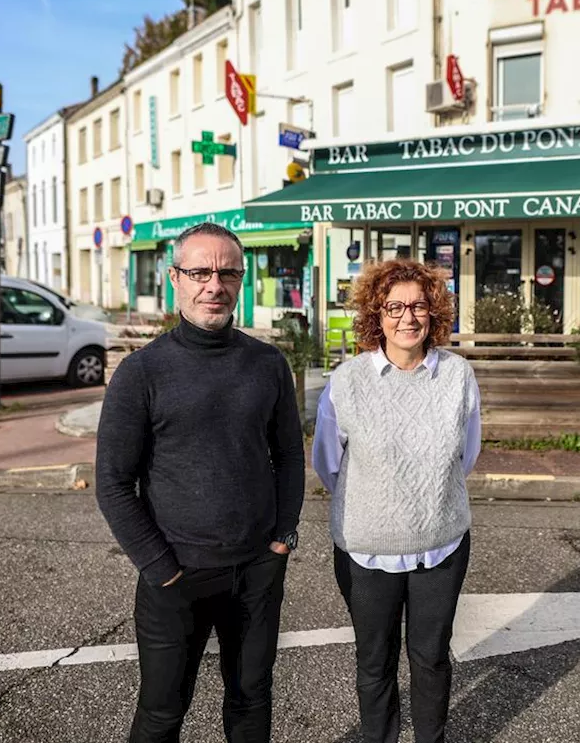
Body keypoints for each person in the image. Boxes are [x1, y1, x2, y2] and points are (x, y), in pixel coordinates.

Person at [96, 222, 304, 743]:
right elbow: (113, 483)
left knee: (251, 701)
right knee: (163, 713)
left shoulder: (268, 364)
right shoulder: (141, 373)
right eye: (200, 271)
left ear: (241, 279)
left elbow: (289, 456)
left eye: (228, 272)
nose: (214, 284)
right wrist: (162, 569)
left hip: (255, 572)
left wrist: (281, 540)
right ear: (175, 279)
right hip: (176, 578)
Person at [312, 258, 481, 743]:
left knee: (430, 657)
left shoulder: (458, 376)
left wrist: (425, 493)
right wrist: (381, 494)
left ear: (434, 312)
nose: (408, 318)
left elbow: (463, 455)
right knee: (375, 660)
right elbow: (329, 464)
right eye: (394, 307)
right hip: (366, 548)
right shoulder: (347, 381)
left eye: (419, 306)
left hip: (441, 543)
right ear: (375, 314)